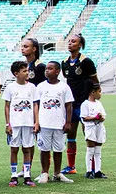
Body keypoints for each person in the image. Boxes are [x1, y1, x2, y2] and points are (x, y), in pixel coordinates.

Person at [60, 33, 98, 175]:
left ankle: (93, 167)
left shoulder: (86, 61)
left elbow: (95, 80)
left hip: (84, 103)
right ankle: (71, 166)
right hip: (71, 103)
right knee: (71, 134)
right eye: (69, 41)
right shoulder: (64, 62)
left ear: (80, 45)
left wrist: (93, 99)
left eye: (74, 41)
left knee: (88, 134)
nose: (70, 43)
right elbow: (68, 79)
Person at [34, 61, 75, 184]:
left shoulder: (64, 87)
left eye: (50, 69)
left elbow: (68, 105)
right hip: (44, 123)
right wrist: (36, 122)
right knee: (44, 149)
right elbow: (36, 105)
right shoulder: (40, 86)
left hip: (59, 124)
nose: (47, 70)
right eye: (46, 68)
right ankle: (44, 173)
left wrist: (68, 122)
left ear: (57, 71)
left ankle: (57, 173)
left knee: (58, 149)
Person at [3, 61, 38, 187]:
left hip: (28, 123)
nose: (27, 73)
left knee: (27, 148)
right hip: (15, 123)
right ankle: (13, 176)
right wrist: (8, 124)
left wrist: (36, 122)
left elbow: (35, 105)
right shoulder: (10, 87)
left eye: (27, 70)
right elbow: (7, 106)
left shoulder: (32, 87)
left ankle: (27, 175)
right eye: (24, 71)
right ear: (16, 74)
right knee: (14, 149)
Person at [80, 82, 107, 179]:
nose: (100, 94)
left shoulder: (99, 104)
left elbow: (103, 116)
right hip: (91, 128)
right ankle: (88, 171)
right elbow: (84, 118)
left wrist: (100, 118)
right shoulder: (85, 104)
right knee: (90, 149)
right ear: (92, 92)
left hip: (99, 127)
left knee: (98, 150)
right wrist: (94, 118)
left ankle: (98, 170)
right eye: (99, 91)